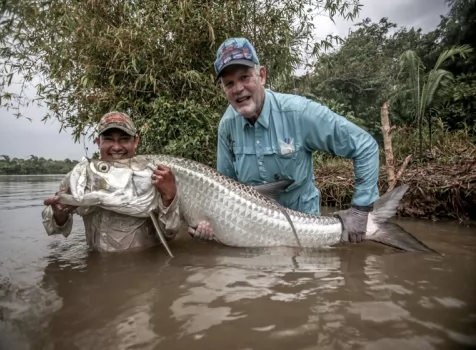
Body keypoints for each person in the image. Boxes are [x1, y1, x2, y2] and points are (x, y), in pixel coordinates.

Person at [188, 37, 380, 244]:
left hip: (309, 231)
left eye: (245, 77)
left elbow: (364, 146)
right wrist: (209, 226)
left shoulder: (300, 113)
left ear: (261, 76)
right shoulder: (226, 127)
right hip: (254, 233)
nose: (238, 88)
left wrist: (361, 210)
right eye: (229, 83)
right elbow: (225, 193)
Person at [42, 111, 181, 252]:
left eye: (124, 139)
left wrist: (169, 197)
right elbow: (53, 229)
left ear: (136, 142)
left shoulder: (155, 176)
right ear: (98, 142)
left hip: (142, 266)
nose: (116, 147)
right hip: (95, 266)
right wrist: (60, 214)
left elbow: (170, 234)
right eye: (108, 139)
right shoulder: (80, 176)